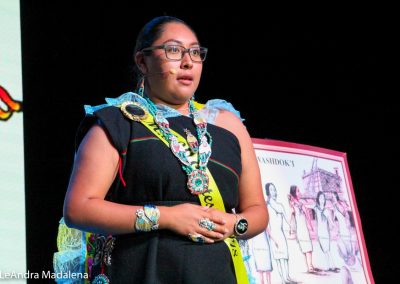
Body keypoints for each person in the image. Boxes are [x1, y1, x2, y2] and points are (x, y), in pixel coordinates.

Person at [60, 16, 268, 283]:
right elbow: (78, 208)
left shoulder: (229, 125)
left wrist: (233, 224)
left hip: (217, 272)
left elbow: (257, 210)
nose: (187, 61)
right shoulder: (118, 121)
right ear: (142, 61)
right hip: (142, 270)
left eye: (195, 52)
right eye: (173, 50)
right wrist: (166, 217)